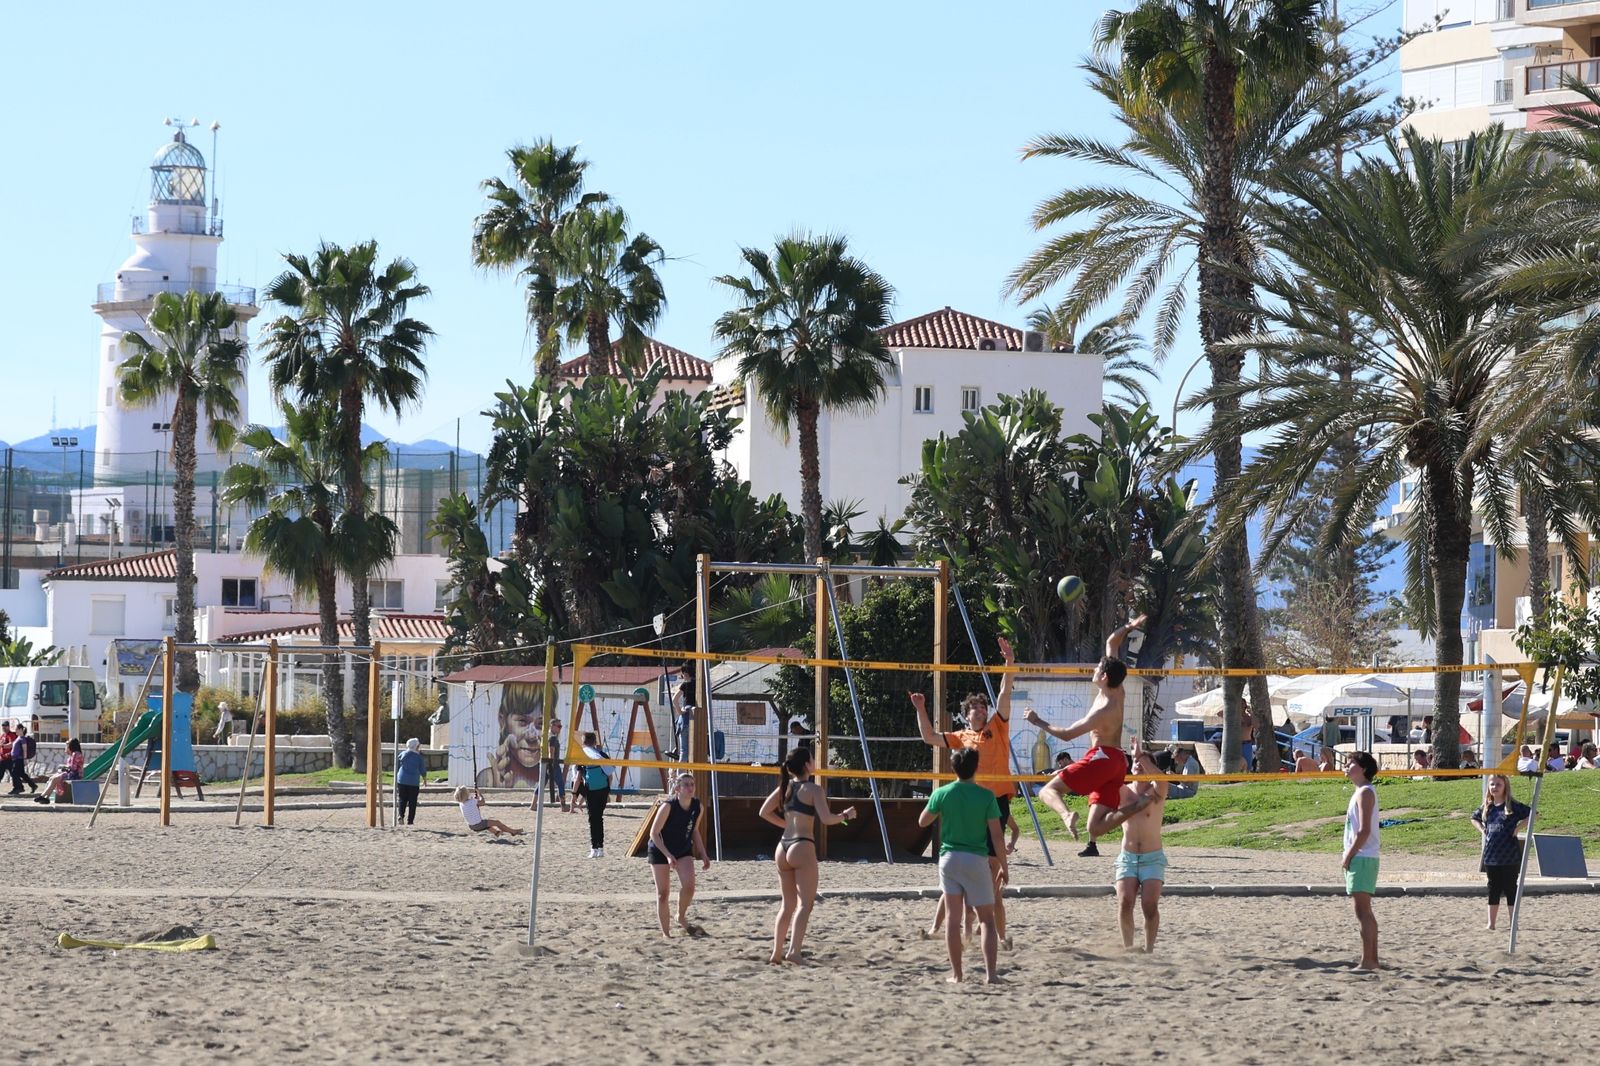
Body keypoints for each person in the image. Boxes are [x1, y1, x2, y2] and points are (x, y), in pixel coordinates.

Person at [909, 636, 1016, 943]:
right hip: (969, 809)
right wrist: (920, 708)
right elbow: (929, 736)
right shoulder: (961, 736)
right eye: (975, 708)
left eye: (983, 706)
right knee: (958, 877)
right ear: (966, 714)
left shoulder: (998, 725)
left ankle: (999, 936)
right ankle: (936, 929)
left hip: (995, 804)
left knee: (992, 884)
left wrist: (1009, 663)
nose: (981, 710)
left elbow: (1005, 692)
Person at [1027, 615, 1155, 857]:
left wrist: (1038, 721)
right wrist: (1128, 627)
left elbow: (1067, 735)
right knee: (1094, 826)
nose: (1095, 668)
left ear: (1104, 676)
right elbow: (1112, 643)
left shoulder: (1102, 709)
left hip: (1103, 757)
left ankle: (1066, 814)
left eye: (1098, 668)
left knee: (1048, 791)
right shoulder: (1118, 689)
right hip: (1118, 761)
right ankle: (1137, 805)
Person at [917, 746, 1007, 984]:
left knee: (953, 920)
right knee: (987, 919)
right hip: (976, 858)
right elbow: (997, 837)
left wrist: (939, 805)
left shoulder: (943, 792)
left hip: (949, 858)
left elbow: (922, 821)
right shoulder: (986, 795)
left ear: (953, 767)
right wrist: (1004, 867)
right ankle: (991, 975)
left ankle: (957, 975)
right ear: (976, 768)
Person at [759, 746, 856, 965]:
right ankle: (794, 952)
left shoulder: (785, 787)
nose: (814, 761)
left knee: (787, 905)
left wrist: (785, 824)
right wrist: (846, 815)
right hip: (802, 846)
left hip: (782, 847)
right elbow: (827, 819)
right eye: (812, 759)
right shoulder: (814, 790)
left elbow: (763, 812)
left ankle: (776, 953)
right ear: (806, 765)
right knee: (805, 904)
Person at [1115, 743, 1169, 952]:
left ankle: (1148, 949)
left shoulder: (1157, 790)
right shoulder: (1122, 790)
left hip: (1152, 858)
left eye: (1142, 762)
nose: (1137, 764)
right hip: (1127, 857)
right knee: (1125, 901)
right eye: (1135, 761)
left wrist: (1141, 755)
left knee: (1149, 905)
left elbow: (1162, 778)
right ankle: (1128, 947)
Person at [646, 772, 711, 938]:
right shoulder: (668, 806)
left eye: (692, 784)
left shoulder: (698, 806)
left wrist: (703, 853)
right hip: (660, 849)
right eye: (686, 785)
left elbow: (695, 831)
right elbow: (654, 833)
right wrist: (668, 855)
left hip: (682, 849)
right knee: (663, 894)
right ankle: (666, 934)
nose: (690, 788)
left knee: (689, 886)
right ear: (677, 789)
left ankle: (680, 916)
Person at [1471, 774, 1530, 931]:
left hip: (1510, 856)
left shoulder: (1512, 806)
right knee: (1493, 888)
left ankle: (1513, 923)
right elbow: (1474, 818)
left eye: (1498, 784)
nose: (1494, 787)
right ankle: (1491, 923)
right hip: (1491, 856)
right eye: (1492, 784)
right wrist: (1482, 829)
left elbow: (1533, 814)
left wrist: (1517, 829)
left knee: (1511, 888)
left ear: (1505, 787)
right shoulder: (1487, 807)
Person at [1341, 750, 1381, 971]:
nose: (1346, 766)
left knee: (1362, 912)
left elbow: (1364, 831)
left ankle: (1368, 961)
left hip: (1362, 857)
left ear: (1363, 768)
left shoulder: (1365, 792)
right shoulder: (1359, 792)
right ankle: (1372, 959)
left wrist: (1349, 855)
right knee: (1365, 911)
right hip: (1363, 856)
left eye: (1351, 763)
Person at [579, 733, 613, 857]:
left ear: (583, 742)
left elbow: (579, 778)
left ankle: (594, 848)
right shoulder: (602, 755)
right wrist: (608, 792)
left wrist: (575, 797)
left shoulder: (583, 755)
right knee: (599, 818)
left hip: (591, 790)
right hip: (603, 789)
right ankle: (600, 848)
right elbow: (610, 775)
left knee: (593, 819)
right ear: (594, 742)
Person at [453, 786, 523, 839]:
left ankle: (496, 832)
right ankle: (513, 832)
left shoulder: (461, 804)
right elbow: (483, 802)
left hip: (471, 826)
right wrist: (480, 794)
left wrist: (475, 799)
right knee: (497, 822)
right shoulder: (472, 802)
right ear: (466, 794)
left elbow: (472, 806)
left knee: (488, 821)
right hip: (478, 825)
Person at [35, 738, 86, 804]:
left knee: (55, 779)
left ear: (71, 746)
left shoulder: (75, 754)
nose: (66, 748)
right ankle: (46, 797)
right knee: (52, 778)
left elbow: (73, 768)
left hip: (75, 775)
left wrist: (64, 768)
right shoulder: (74, 754)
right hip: (73, 773)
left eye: (67, 746)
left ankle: (43, 796)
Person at [395, 738, 425, 826]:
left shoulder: (402, 754)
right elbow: (422, 769)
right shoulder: (418, 757)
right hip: (413, 781)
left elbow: (397, 766)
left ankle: (401, 815)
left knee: (402, 799)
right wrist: (425, 779)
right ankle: (410, 821)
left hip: (401, 779)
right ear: (416, 746)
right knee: (412, 801)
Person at [672, 661, 696, 761]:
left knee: (684, 751)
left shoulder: (685, 685)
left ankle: (680, 775)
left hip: (686, 720)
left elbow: (674, 700)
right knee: (694, 750)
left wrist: (680, 712)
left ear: (685, 674)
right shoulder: (699, 684)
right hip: (697, 720)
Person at [8, 723, 37, 795]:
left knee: (14, 773)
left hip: (19, 759)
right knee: (22, 774)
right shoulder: (18, 738)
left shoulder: (22, 738)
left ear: (21, 730)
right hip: (16, 759)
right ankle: (33, 785)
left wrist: (25, 759)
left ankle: (18, 788)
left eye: (17, 729)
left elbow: (25, 749)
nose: (16, 731)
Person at [544, 718, 566, 811]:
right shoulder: (552, 738)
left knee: (542, 785)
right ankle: (563, 806)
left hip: (548, 764)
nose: (560, 728)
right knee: (561, 784)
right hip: (553, 764)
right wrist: (551, 766)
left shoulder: (549, 737)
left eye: (561, 726)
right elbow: (551, 752)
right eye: (558, 726)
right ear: (552, 726)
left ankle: (533, 804)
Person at [1239, 699, 1256, 772]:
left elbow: (1256, 724)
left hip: (1247, 743)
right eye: (1240, 704)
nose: (1242, 706)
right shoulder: (1233, 717)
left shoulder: (1248, 718)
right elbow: (1219, 713)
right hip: (1236, 744)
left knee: (1248, 763)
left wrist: (1251, 712)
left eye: (1243, 704)